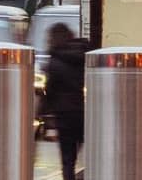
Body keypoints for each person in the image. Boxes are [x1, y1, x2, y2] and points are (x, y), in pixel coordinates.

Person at [42, 23, 90, 180]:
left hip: (64, 115)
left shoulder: (54, 61)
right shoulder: (84, 55)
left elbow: (50, 90)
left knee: (68, 159)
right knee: (89, 152)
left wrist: (45, 115)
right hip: (85, 112)